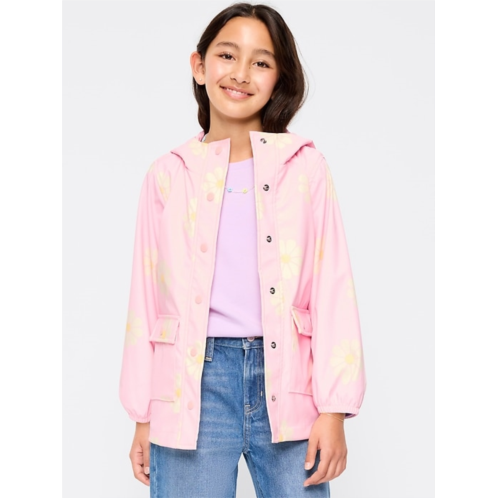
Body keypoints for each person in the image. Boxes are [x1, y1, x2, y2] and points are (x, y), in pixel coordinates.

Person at [119, 3, 366, 497]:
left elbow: (332, 285)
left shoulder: (305, 168)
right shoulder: (168, 175)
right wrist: (144, 415)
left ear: (279, 78)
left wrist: (335, 408)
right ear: (199, 65)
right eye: (228, 55)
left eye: (261, 62)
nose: (240, 73)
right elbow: (146, 299)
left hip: (289, 382)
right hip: (191, 387)